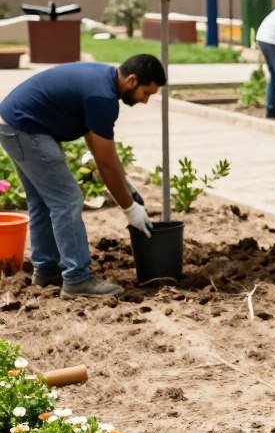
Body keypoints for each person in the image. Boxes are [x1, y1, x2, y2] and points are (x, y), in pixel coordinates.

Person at [0, 55, 165, 299]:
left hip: (14, 123)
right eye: (146, 93)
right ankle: (77, 279)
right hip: (25, 127)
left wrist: (125, 183)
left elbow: (98, 144)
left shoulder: (102, 81)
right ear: (132, 80)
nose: (145, 101)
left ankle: (46, 270)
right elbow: (105, 163)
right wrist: (130, 209)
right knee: (67, 199)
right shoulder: (103, 97)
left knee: (43, 202)